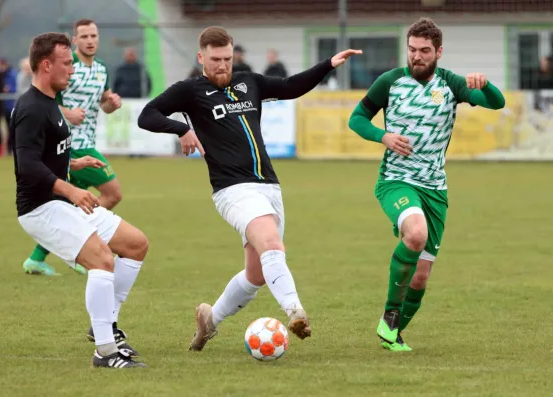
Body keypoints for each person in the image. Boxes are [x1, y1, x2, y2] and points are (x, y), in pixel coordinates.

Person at [137, 26, 362, 351]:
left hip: (269, 187)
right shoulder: (189, 90)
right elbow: (147, 115)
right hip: (232, 190)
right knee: (272, 244)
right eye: (215, 59)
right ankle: (295, 311)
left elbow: (290, 86)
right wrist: (181, 128)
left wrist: (328, 64)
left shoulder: (249, 82)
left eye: (227, 59)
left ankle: (209, 321)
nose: (222, 66)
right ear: (201, 57)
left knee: (256, 274)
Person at [348, 17, 505, 352]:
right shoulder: (389, 82)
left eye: (424, 51)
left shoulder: (452, 85)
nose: (416, 56)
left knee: (420, 277)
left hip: (435, 189)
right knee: (415, 234)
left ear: (439, 52)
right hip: (396, 181)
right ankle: (390, 315)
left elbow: (497, 103)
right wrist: (383, 136)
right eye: (412, 50)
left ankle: (392, 332)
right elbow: (357, 118)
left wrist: (486, 84)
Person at [11, 31, 148, 368]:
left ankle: (106, 325)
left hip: (58, 201)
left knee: (135, 244)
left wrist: (74, 163)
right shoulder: (30, 109)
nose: (72, 70)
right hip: (40, 208)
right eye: (67, 63)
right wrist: (70, 188)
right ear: (46, 65)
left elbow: (45, 155)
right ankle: (106, 351)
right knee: (102, 259)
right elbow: (26, 166)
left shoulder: (50, 104)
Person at [22, 18, 123, 276]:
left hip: (87, 141)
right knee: (112, 193)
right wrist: (67, 113)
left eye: (94, 36)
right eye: (84, 36)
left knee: (72, 203)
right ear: (75, 40)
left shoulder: (102, 68)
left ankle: (38, 258)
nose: (90, 40)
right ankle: (86, 247)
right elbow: (45, 98)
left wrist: (110, 103)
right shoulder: (66, 65)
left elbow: (102, 103)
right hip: (71, 144)